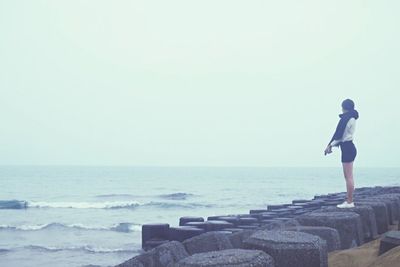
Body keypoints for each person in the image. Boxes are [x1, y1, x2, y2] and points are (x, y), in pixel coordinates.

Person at [325, 99, 359, 208]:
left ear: (345, 107)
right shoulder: (352, 117)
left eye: (342, 107)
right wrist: (331, 145)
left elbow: (340, 135)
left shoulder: (346, 118)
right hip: (349, 147)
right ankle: (349, 200)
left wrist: (330, 145)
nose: (341, 109)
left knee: (348, 177)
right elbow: (340, 135)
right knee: (349, 176)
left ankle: (349, 202)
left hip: (347, 147)